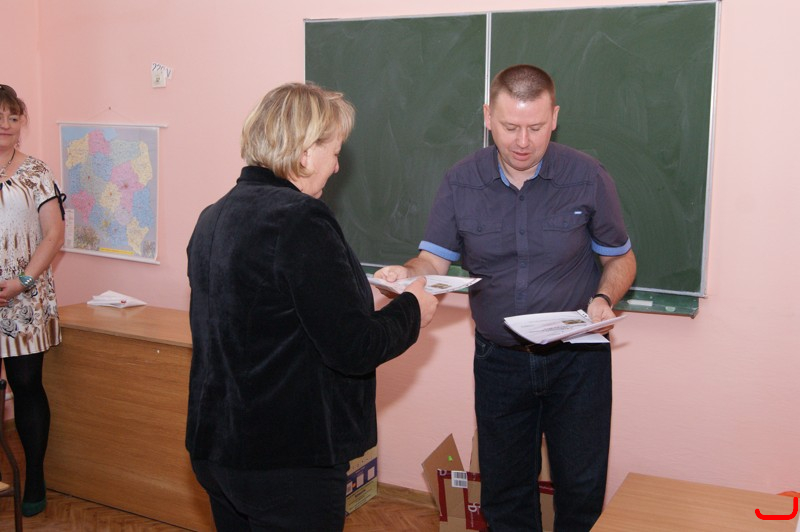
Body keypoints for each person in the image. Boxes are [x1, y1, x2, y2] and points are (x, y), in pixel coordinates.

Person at [375, 65, 637, 531]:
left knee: (581, 491)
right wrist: (406, 274)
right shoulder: (461, 181)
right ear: (487, 118)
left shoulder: (587, 176)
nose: (522, 141)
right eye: (510, 126)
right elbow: (432, 261)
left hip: (578, 362)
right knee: (504, 494)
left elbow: (621, 259)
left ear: (554, 118)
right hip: (499, 362)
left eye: (535, 127)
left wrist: (604, 296)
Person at [185, 82, 438, 532]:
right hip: (286, 460)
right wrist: (413, 311)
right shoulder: (300, 218)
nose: (338, 166)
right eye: (334, 152)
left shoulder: (214, 215)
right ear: (305, 154)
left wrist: (368, 295)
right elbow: (353, 348)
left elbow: (272, 315)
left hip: (218, 448)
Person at [0, 83, 66, 517]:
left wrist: (22, 281)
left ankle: (35, 477)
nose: (6, 124)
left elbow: (54, 234)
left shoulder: (37, 171)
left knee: (26, 386)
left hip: (26, 298)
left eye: (13, 116)